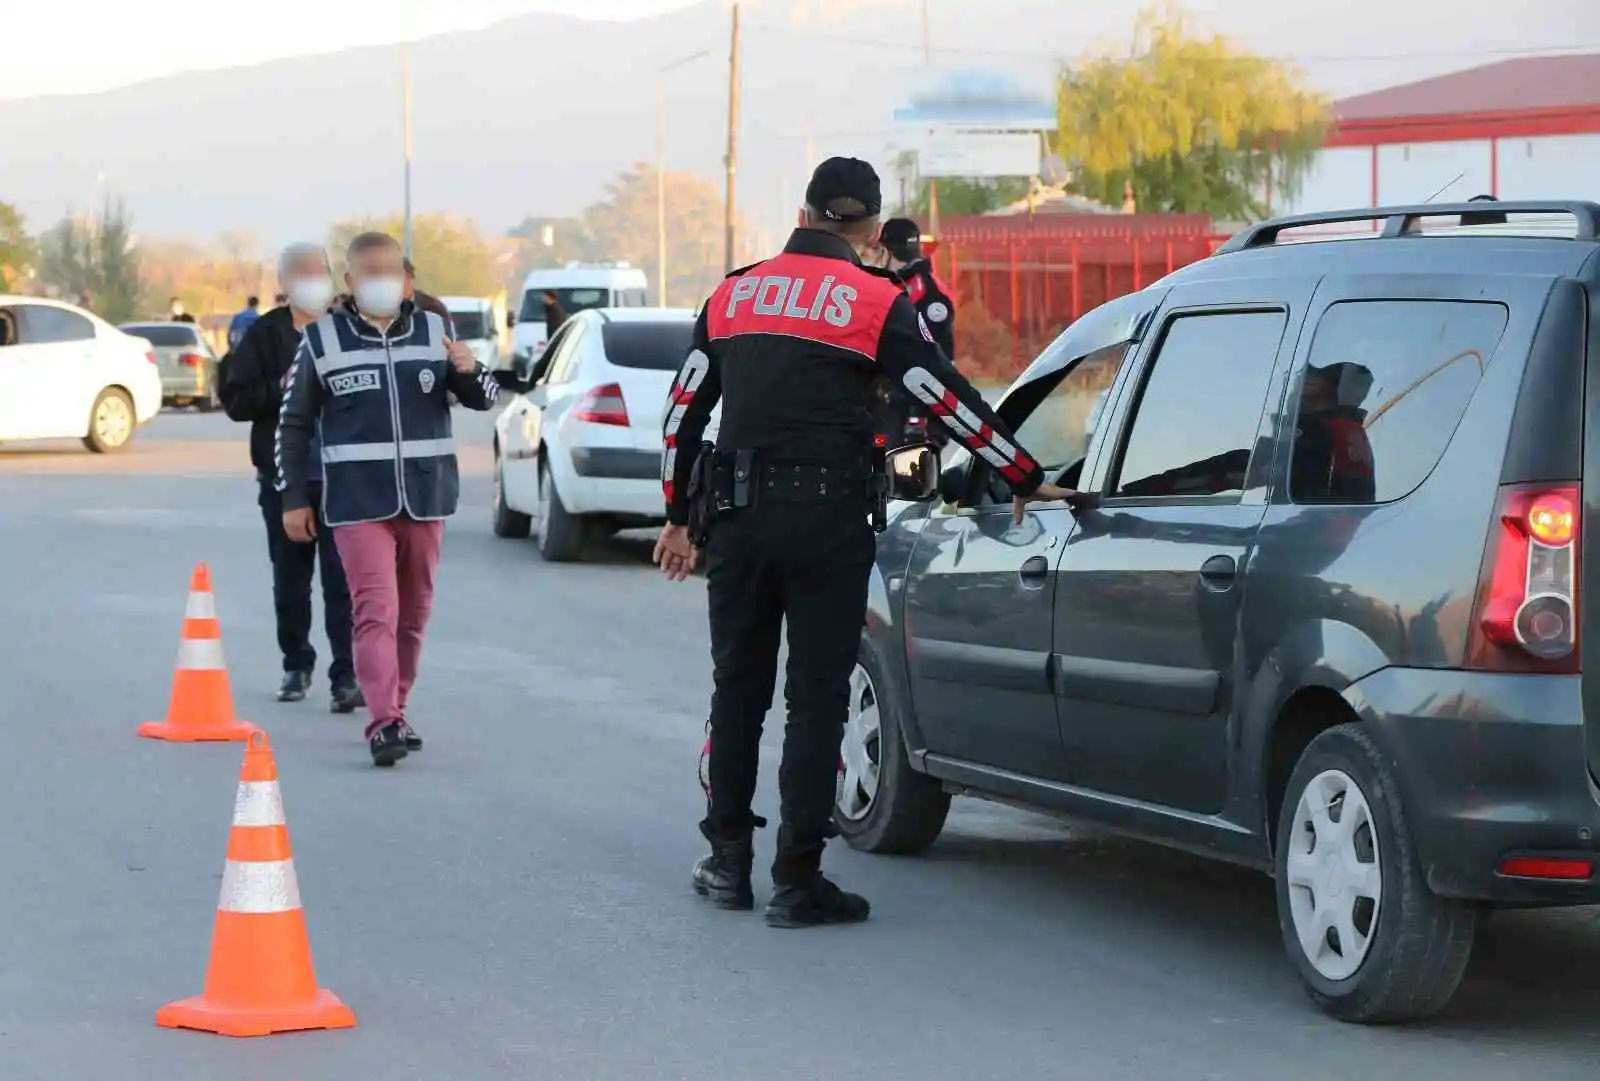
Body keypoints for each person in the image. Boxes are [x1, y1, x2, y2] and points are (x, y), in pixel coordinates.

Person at [655, 157, 1078, 927]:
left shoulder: (734, 293)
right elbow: (941, 394)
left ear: (805, 212)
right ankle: (796, 878)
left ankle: (725, 862)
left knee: (737, 687)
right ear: (873, 229)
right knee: (816, 699)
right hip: (828, 523)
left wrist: (678, 514)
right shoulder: (874, 301)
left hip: (739, 522)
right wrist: (1018, 471)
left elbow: (682, 413)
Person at [276, 231, 499, 766]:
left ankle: (396, 707)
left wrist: (469, 370)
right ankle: (382, 724)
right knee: (375, 610)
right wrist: (293, 497)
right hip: (356, 503)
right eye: (369, 272)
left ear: (406, 278)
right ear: (350, 282)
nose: (382, 280)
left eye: (392, 270)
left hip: (426, 495)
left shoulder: (435, 331)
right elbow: (294, 423)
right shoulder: (322, 341)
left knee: (414, 612)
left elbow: (484, 398)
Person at [220, 244, 360, 711]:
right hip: (285, 476)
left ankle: (348, 675)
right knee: (291, 579)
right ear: (284, 282)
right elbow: (237, 401)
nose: (313, 280)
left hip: (343, 477)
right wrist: (282, 387)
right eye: (302, 273)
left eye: (319, 271)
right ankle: (296, 665)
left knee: (344, 581)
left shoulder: (347, 330)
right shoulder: (264, 335)